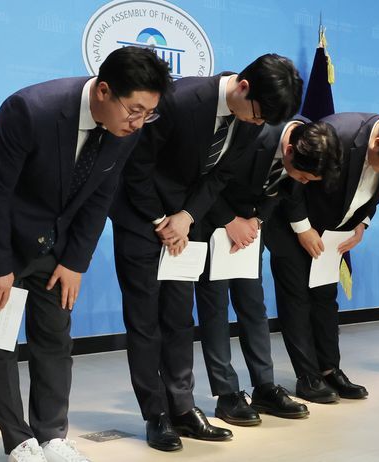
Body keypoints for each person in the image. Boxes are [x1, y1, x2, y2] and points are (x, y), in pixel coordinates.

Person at [0, 47, 172, 462]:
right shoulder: (31, 110)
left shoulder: (125, 130)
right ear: (104, 91)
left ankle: (51, 435)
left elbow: (101, 195)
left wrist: (74, 263)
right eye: (135, 110)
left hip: (52, 243)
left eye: (148, 114)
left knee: (54, 338)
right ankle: (19, 441)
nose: (139, 123)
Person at [110, 54, 302, 451]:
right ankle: (155, 415)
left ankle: (182, 407)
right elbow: (137, 166)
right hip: (142, 216)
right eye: (258, 116)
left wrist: (187, 217)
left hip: (187, 223)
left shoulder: (249, 119)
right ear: (243, 87)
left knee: (179, 317)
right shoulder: (180, 100)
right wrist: (163, 219)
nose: (258, 125)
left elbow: (221, 175)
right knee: (146, 321)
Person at [265, 113, 379, 404]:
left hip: (331, 234)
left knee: (325, 299)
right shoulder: (336, 133)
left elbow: (373, 193)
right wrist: (302, 228)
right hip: (292, 226)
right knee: (297, 300)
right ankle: (308, 377)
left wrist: (362, 223)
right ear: (378, 143)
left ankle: (329, 370)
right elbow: (296, 179)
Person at [194, 119, 342, 426]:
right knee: (215, 310)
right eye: (302, 175)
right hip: (213, 226)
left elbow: (280, 190)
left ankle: (264, 386)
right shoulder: (250, 136)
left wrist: (257, 220)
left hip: (249, 231)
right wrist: (229, 220)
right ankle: (227, 394)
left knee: (254, 308)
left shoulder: (306, 146)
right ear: (289, 150)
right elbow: (206, 175)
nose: (302, 181)